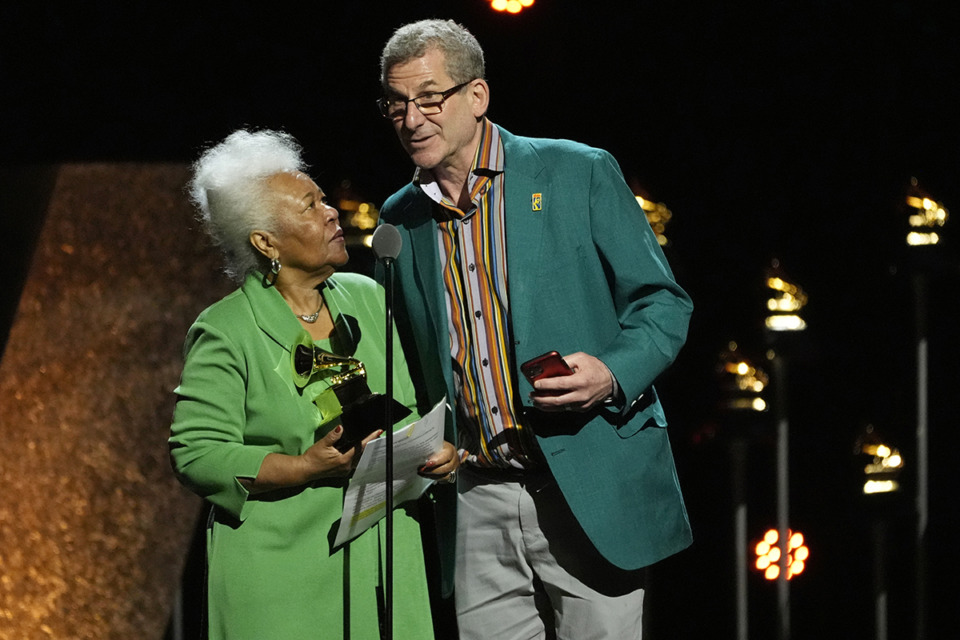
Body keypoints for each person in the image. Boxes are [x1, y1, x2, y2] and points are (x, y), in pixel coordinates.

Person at [376, 19, 694, 639]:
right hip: (475, 493)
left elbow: (664, 304)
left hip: (585, 483)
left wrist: (611, 373)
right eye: (396, 103)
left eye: (429, 98)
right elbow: (414, 359)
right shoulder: (400, 218)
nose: (411, 119)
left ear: (477, 96)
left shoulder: (576, 172)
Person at [168, 129, 459, 640]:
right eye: (310, 206)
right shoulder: (225, 329)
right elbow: (196, 454)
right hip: (282, 571)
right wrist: (302, 467)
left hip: (385, 557)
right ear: (265, 241)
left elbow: (409, 409)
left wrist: (434, 452)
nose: (330, 212)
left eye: (324, 199)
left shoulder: (366, 295)